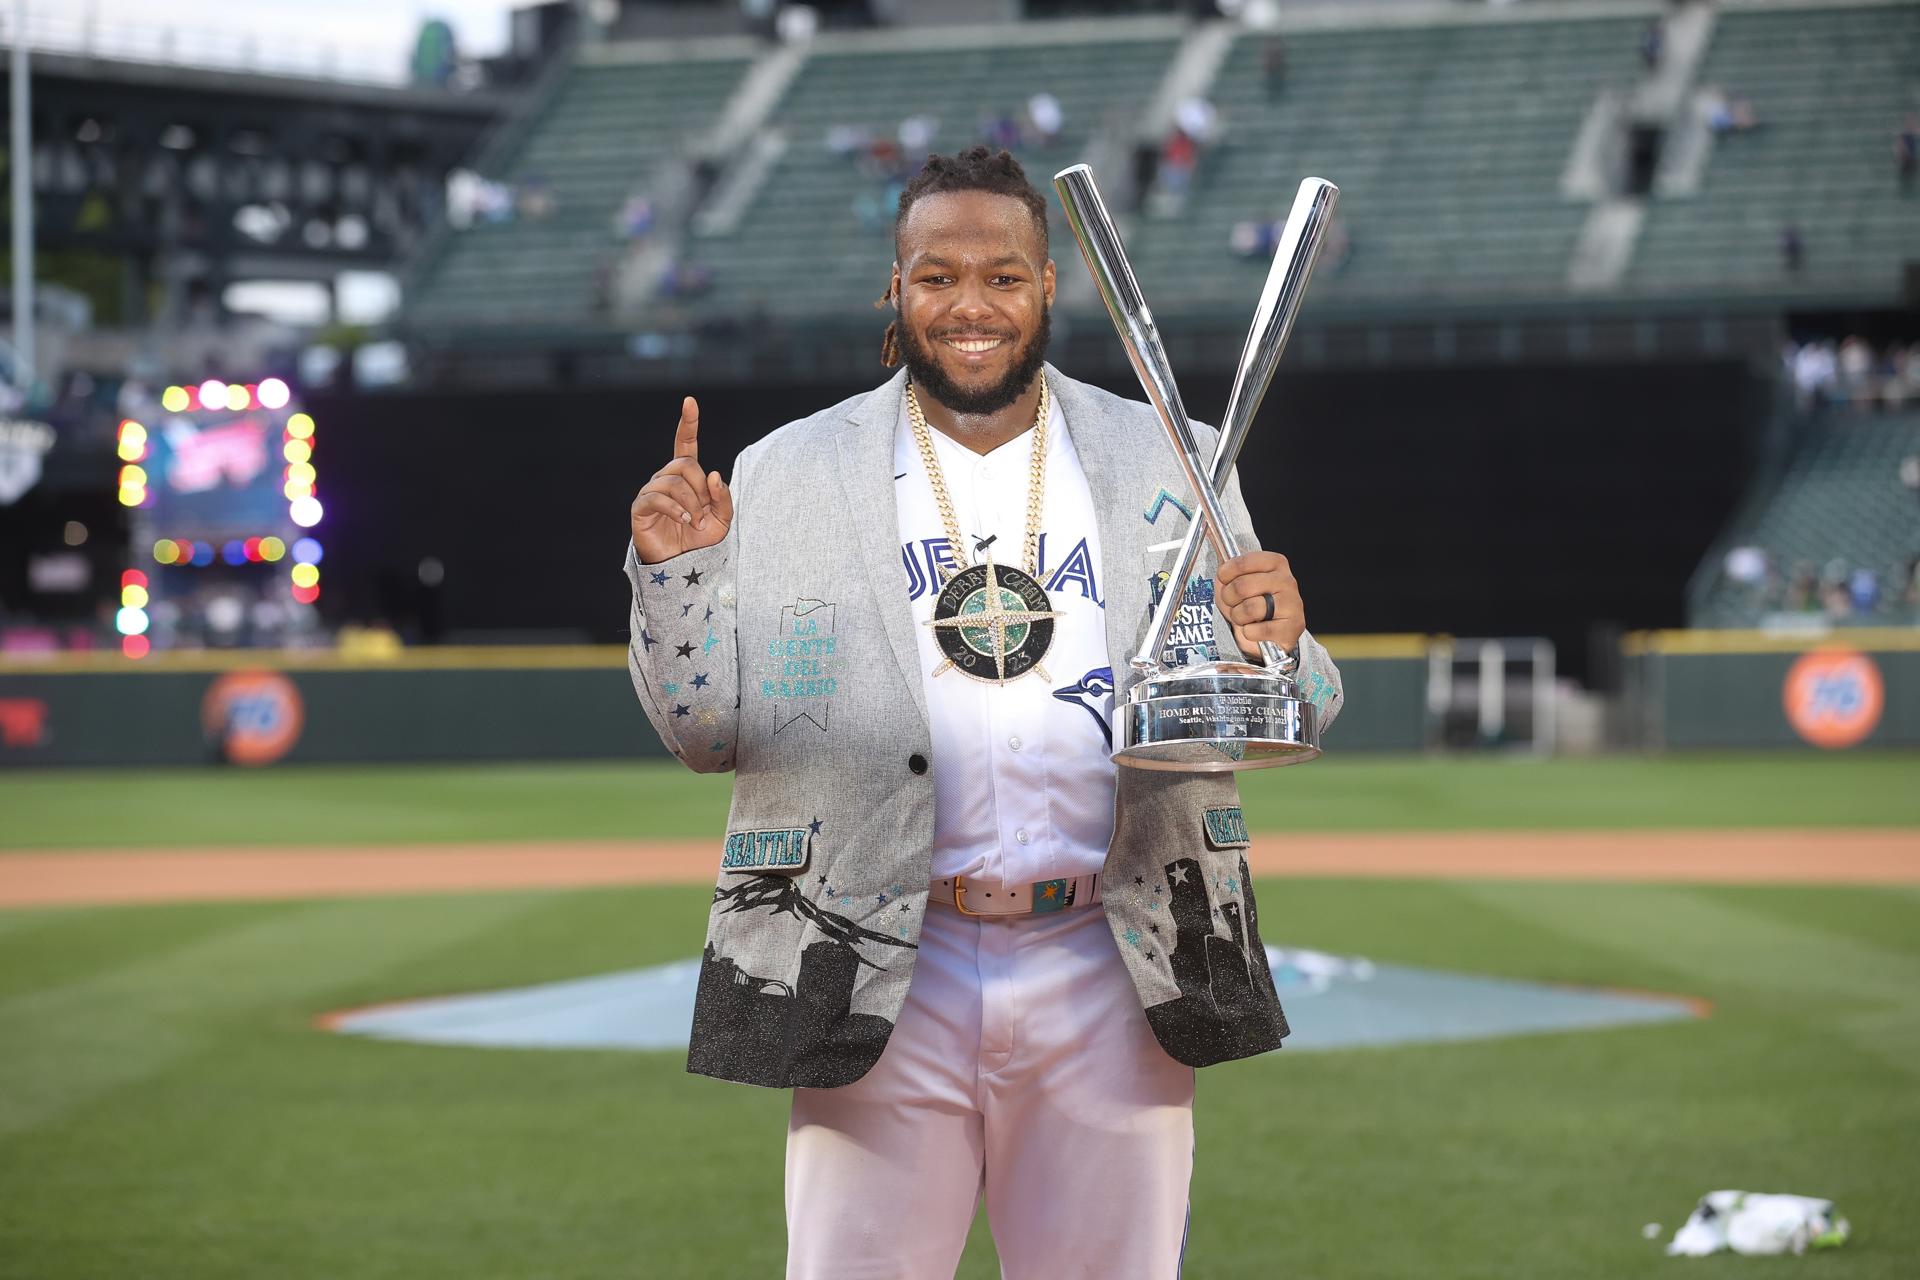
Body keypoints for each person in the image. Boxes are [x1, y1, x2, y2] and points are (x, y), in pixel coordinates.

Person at [621, 146, 1345, 1279]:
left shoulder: (1172, 454)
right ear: (895, 290)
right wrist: (677, 580)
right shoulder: (786, 471)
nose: (971, 305)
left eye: (1003, 276)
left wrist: (1280, 642)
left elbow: (1280, 711)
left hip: (1109, 957)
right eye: (937, 275)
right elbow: (704, 732)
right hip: (876, 954)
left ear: (1049, 286)